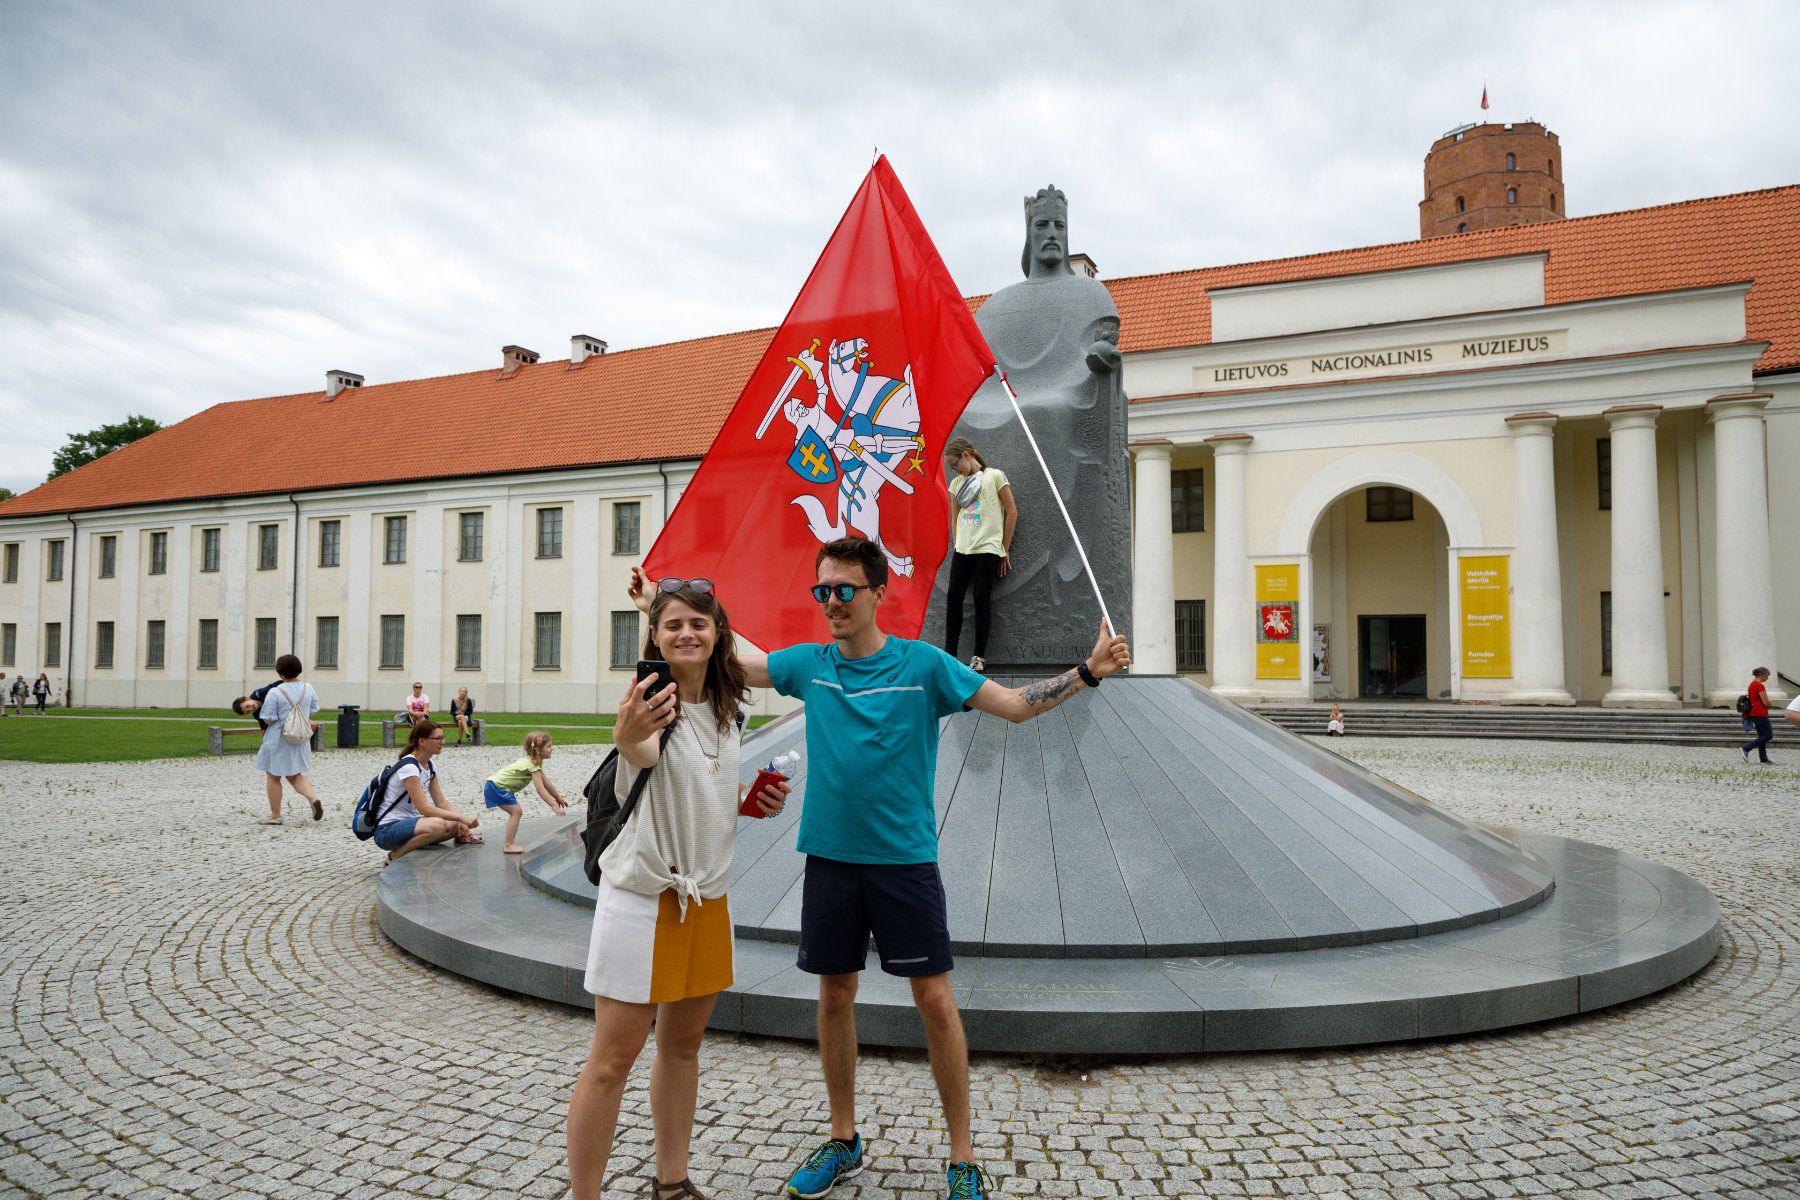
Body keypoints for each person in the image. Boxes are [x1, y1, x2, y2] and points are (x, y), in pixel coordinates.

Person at [627, 538, 1129, 1200]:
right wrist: (650, 610)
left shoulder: (924, 666)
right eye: (823, 591)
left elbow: (1011, 705)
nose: (832, 603)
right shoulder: (810, 665)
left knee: (936, 1003)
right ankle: (843, 1138)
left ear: (877, 592)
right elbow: (721, 657)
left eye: (844, 590)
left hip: (905, 863)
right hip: (832, 860)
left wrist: (1086, 672)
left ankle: (962, 1155)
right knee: (834, 998)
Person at [568, 580, 790, 1200]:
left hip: (707, 900)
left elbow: (697, 790)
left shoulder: (727, 707)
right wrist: (628, 730)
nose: (687, 633)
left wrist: (747, 805)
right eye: (673, 626)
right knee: (613, 1061)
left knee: (684, 1047)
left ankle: (672, 1182)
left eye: (700, 623)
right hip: (644, 898)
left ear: (718, 633)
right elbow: (634, 749)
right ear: (655, 639)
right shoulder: (649, 706)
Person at [942, 436, 1016, 674]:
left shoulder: (995, 476)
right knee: (954, 596)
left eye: (955, 465)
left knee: (982, 596)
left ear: (967, 455)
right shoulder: (956, 484)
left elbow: (1012, 512)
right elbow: (954, 517)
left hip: (987, 547)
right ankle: (950, 655)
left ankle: (979, 657)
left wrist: (1003, 548)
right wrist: (957, 542)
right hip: (963, 548)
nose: (955, 471)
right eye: (951, 468)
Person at [374, 720, 482, 865]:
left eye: (443, 738)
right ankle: (394, 857)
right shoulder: (409, 767)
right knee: (438, 825)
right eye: (438, 738)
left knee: (455, 825)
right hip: (387, 830)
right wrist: (461, 817)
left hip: (407, 825)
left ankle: (416, 844)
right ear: (422, 741)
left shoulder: (430, 765)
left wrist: (461, 820)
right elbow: (423, 808)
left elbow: (441, 802)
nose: (442, 742)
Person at [253, 655, 321, 825]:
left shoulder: (275, 692)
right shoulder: (308, 688)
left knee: (273, 776)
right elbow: (312, 712)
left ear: (279, 672)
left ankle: (275, 815)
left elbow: (268, 719)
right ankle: (312, 798)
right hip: (299, 737)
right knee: (295, 775)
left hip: (278, 738)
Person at [483, 731, 569, 853]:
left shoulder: (533, 763)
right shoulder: (532, 766)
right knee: (516, 812)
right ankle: (508, 845)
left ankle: (509, 844)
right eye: (549, 746)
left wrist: (557, 797)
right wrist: (553, 805)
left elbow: (546, 783)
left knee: (516, 812)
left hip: (495, 786)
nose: (552, 749)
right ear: (538, 750)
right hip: (497, 787)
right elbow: (540, 789)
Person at [1740, 667, 1775, 765]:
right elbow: (1766, 702)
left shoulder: (1752, 684)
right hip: (1760, 712)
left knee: (1762, 735)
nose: (1767, 678)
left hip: (1753, 713)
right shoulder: (1760, 686)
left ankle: (1763, 758)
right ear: (1763, 676)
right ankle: (1746, 749)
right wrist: (1770, 702)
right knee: (1768, 735)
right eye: (1767, 676)